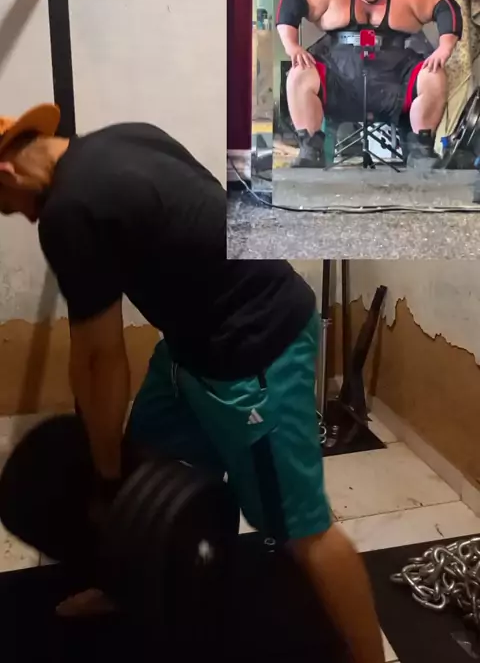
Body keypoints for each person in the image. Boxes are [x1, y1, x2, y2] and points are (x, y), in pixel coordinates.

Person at [0, 104, 385, 663]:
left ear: (7, 173)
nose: (20, 217)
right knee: (145, 482)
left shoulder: (69, 210)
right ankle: (124, 587)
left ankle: (371, 657)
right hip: (190, 347)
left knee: (302, 530)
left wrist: (104, 476)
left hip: (256, 349)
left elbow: (100, 361)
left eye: (5, 206)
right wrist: (118, 485)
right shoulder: (123, 137)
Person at [277, 0, 463, 168]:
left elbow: (447, 7)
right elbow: (291, 2)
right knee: (299, 73)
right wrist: (291, 45)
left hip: (395, 81)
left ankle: (421, 150)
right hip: (338, 80)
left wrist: (444, 48)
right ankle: (310, 150)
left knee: (434, 75)